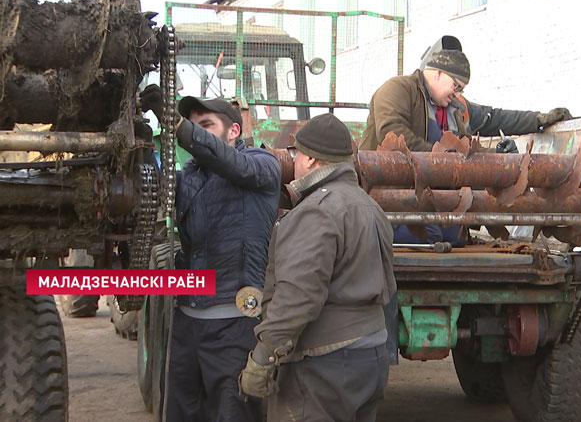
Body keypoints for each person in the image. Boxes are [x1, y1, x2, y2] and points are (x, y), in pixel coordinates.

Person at [239, 113, 396, 422]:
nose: (294, 161)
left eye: (296, 154)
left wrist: (263, 357)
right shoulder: (370, 206)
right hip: (372, 355)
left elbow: (297, 296)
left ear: (310, 160)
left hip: (325, 362)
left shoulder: (316, 212)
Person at [141, 86, 283, 421]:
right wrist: (140, 143)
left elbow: (228, 161)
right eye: (192, 126)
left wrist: (179, 129)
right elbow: (147, 189)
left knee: (232, 412)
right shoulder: (187, 177)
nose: (195, 134)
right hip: (187, 325)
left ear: (234, 130)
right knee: (180, 411)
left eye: (205, 125)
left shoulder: (261, 166)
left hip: (234, 326)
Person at [419, 35, 573, 142]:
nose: (456, 92)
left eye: (459, 87)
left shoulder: (461, 107)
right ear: (436, 73)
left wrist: (538, 119)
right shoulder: (412, 102)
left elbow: (497, 119)